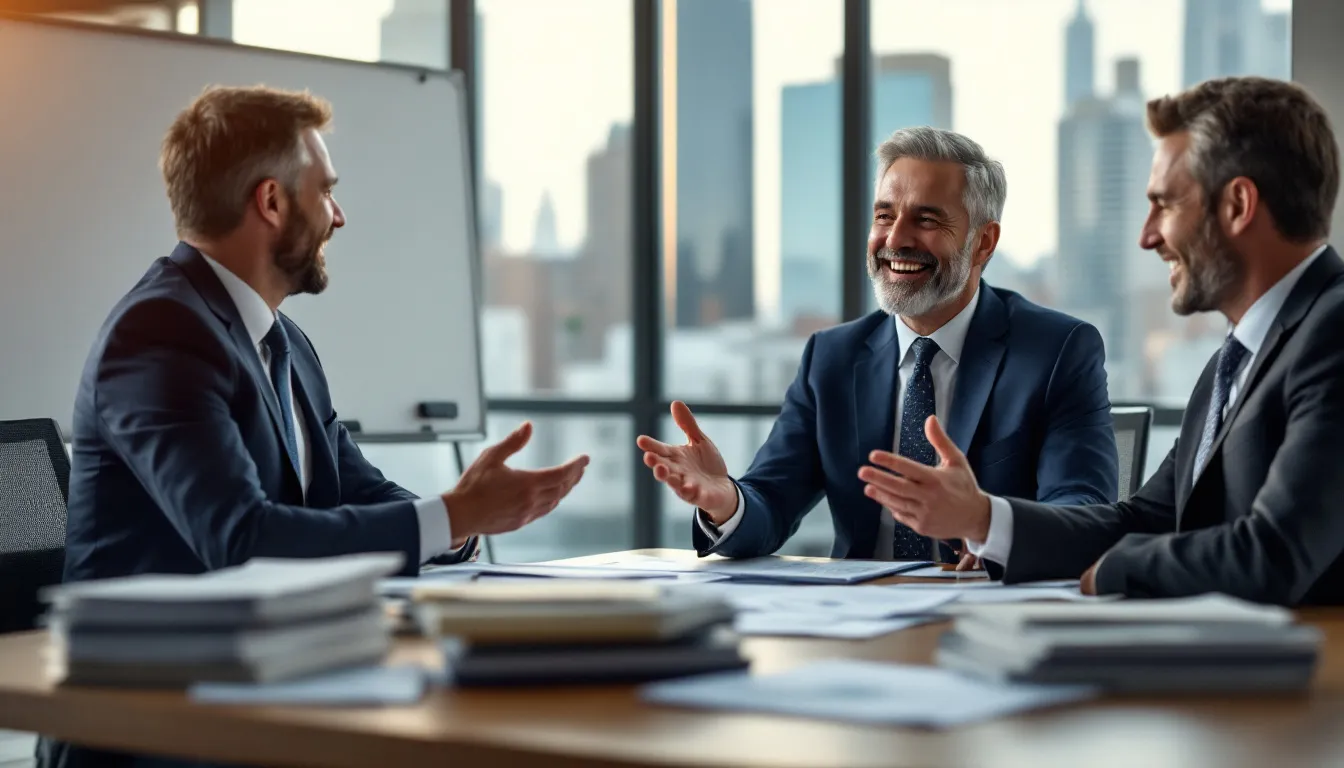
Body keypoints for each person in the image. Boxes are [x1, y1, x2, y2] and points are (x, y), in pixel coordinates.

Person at [866, 77, 1344, 605]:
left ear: (1237, 205)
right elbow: (1146, 520)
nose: (1148, 235)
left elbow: (1275, 554)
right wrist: (984, 517)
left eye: (1164, 204)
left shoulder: (1332, 334)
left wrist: (1118, 570)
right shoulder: (1232, 363)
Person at [637, 127, 1119, 563]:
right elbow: (771, 504)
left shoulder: (1058, 351)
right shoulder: (832, 356)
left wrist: (985, 522)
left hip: (991, 623)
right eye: (884, 215)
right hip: (859, 624)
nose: (896, 238)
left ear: (983, 243)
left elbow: (1083, 513)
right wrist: (725, 500)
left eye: (927, 220)